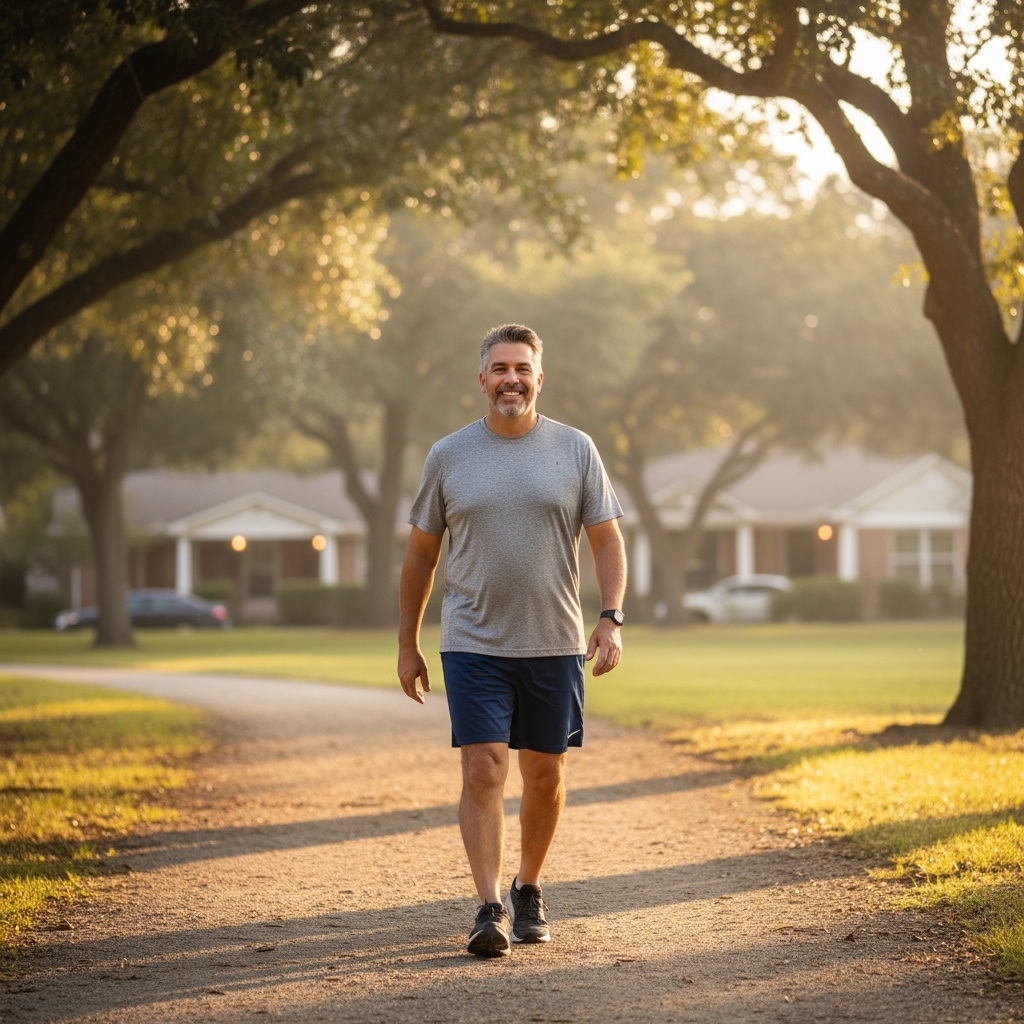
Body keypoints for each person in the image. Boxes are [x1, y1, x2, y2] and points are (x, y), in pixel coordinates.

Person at [397, 322, 627, 958]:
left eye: (522, 369)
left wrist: (610, 617)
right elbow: (420, 554)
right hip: (472, 640)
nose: (511, 380)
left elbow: (607, 540)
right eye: (500, 369)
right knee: (482, 767)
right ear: (482, 380)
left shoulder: (576, 450)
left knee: (546, 775)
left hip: (554, 640)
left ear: (539, 378)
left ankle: (530, 887)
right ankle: (490, 906)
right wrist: (408, 642)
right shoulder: (449, 456)